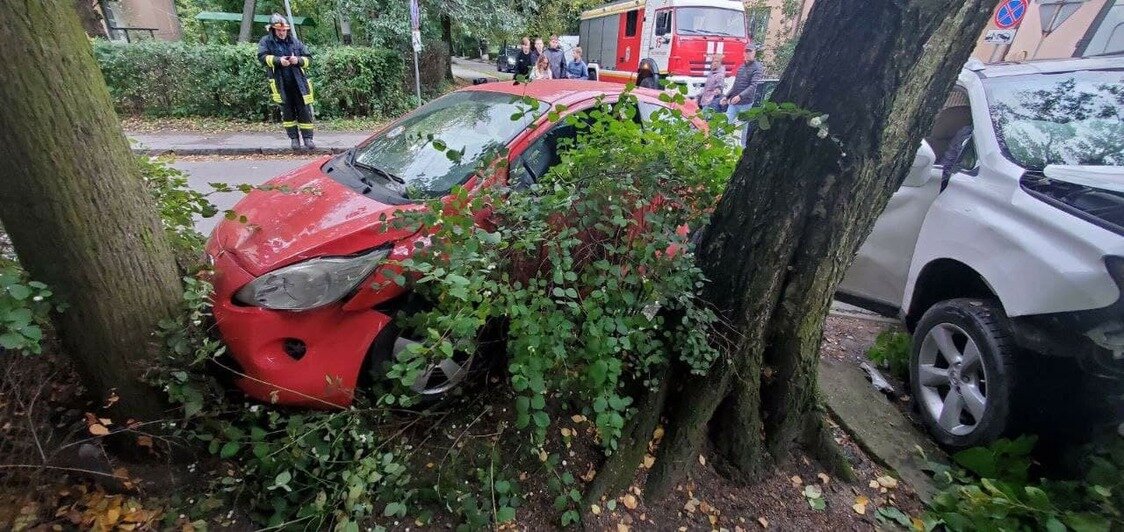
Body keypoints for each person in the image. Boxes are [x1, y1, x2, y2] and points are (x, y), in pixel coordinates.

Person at [257, 14, 316, 150]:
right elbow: (261, 57)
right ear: (272, 30)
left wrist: (298, 60)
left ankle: (308, 139)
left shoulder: (295, 42)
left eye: (284, 30)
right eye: (279, 30)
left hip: (299, 84)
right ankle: (294, 139)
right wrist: (278, 60)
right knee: (288, 113)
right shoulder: (266, 42)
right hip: (281, 83)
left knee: (304, 111)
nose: (282, 33)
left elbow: (309, 59)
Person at [720, 45, 764, 145]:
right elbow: (735, 85)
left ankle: (743, 149)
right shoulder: (741, 67)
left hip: (746, 103)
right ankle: (719, 145)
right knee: (725, 124)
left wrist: (740, 96)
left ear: (754, 53)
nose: (748, 54)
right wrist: (726, 97)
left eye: (750, 52)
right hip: (733, 103)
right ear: (744, 53)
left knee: (744, 128)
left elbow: (753, 86)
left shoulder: (757, 67)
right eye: (746, 52)